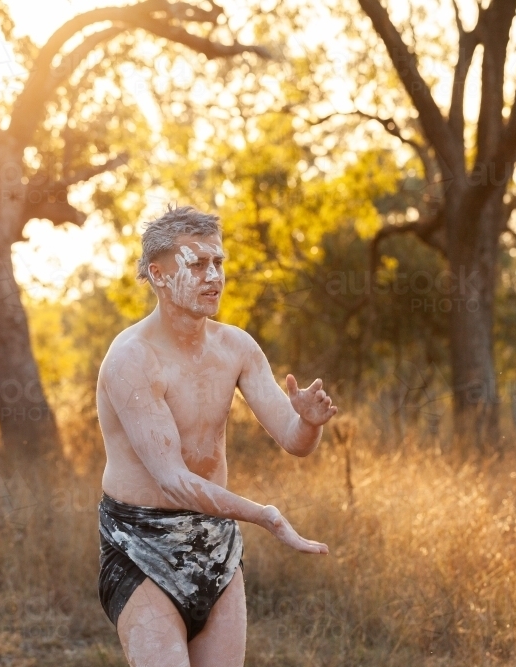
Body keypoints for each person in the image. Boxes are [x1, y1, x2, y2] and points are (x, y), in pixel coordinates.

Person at [96, 204, 337, 667]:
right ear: (160, 274)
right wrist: (265, 515)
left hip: (216, 542)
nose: (214, 277)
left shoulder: (237, 347)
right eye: (198, 263)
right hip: (140, 543)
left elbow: (294, 441)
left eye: (219, 263)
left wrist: (307, 422)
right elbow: (173, 480)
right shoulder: (132, 358)